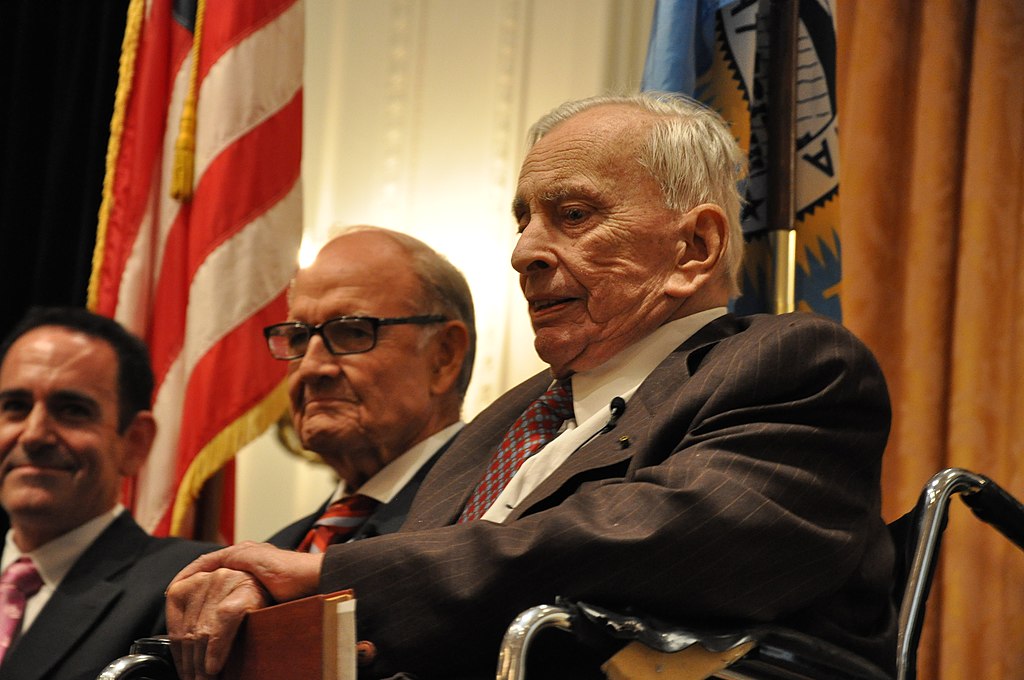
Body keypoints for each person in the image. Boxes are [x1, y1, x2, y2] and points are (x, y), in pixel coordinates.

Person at [166, 92, 896, 680]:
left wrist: (330, 576)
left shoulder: (793, 364)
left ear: (694, 247)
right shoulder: (507, 419)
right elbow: (417, 574)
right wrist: (263, 596)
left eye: (572, 216)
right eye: (523, 219)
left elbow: (652, 537)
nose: (523, 252)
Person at [0, 307, 218, 680]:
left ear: (135, 442)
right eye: (15, 407)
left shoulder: (187, 588)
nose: (34, 434)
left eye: (72, 410)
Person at [263, 226, 476, 550]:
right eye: (298, 337)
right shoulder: (277, 554)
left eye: (352, 332)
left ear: (444, 356)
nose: (311, 367)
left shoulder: (495, 517)